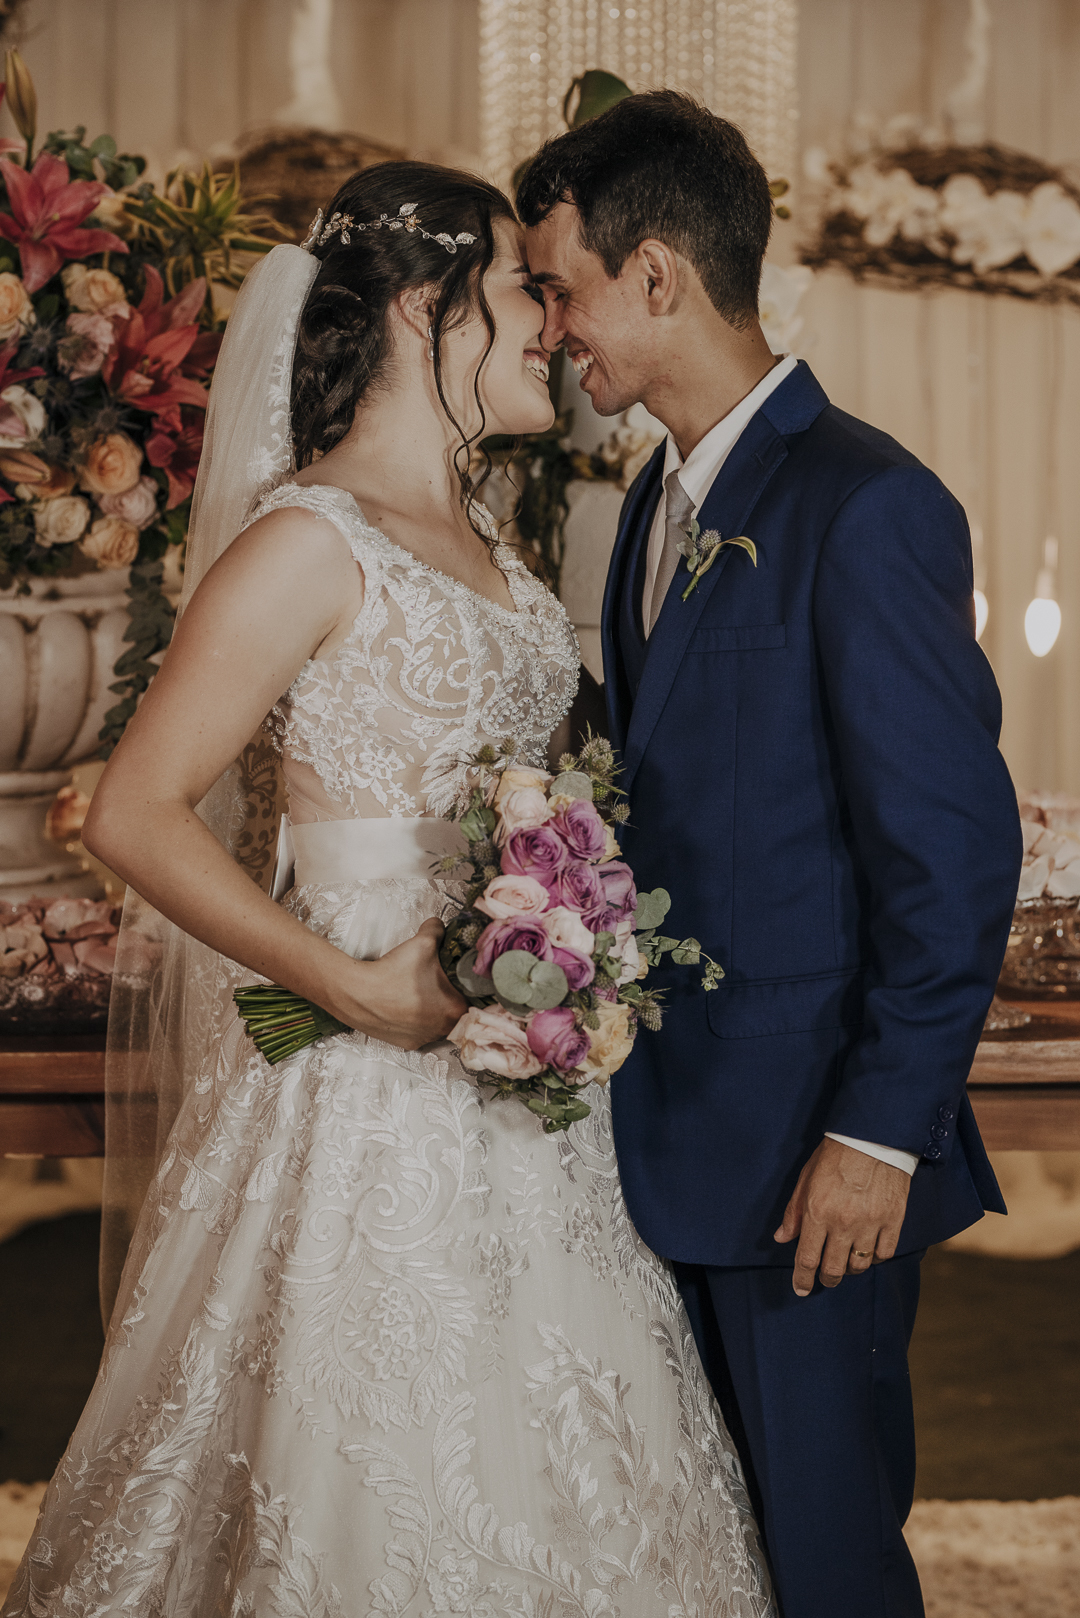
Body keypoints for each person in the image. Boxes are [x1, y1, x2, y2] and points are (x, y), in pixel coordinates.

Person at [2, 162, 776, 1618]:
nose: (553, 324)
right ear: (428, 308)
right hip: (355, 1084)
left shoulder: (499, 553)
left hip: (527, 1087)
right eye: (524, 291)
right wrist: (351, 985)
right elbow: (137, 810)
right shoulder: (308, 539)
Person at [519, 93, 1023, 1618]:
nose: (549, 328)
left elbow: (953, 854)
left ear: (655, 274)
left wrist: (877, 1133)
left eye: (560, 287)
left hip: (811, 1162)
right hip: (661, 1141)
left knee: (826, 1563)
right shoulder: (651, 506)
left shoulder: (867, 503)